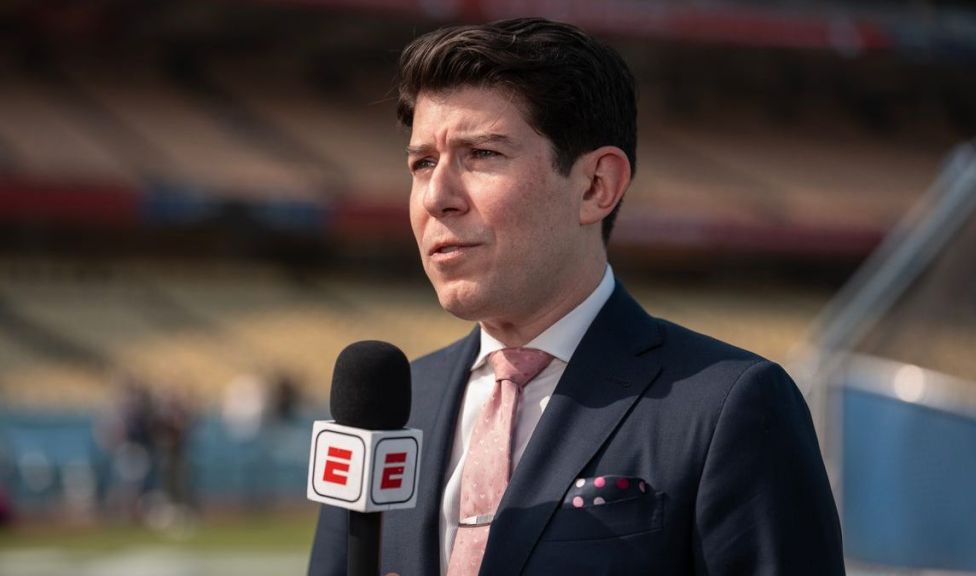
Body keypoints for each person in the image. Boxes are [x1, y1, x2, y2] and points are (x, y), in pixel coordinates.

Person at [309, 17, 844, 576]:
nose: (436, 196)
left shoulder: (729, 406)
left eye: (482, 154)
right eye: (423, 163)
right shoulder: (387, 410)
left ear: (595, 186)